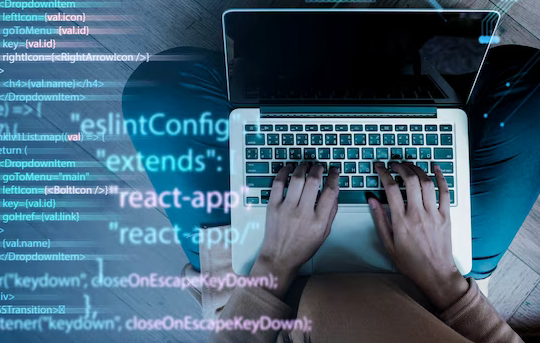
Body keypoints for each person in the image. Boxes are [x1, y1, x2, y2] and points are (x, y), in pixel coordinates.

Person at [122, 45, 539, 342]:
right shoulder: (441, 277)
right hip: (436, 290)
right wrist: (442, 276)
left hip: (263, 286)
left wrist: (274, 260)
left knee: (160, 86)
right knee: (531, 84)